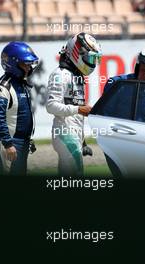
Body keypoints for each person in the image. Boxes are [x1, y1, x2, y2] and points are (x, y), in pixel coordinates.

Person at [103, 46, 145, 177]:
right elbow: (104, 114)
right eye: (143, 69)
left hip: (139, 139)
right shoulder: (117, 83)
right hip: (115, 139)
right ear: (137, 67)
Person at [46, 32, 102, 176]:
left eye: (94, 59)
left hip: (73, 134)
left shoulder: (77, 76)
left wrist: (82, 142)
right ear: (77, 52)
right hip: (63, 132)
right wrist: (78, 109)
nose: (92, 62)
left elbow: (77, 116)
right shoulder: (60, 74)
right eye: (89, 57)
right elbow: (51, 105)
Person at [0, 41, 39, 176]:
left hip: (19, 143)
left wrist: (27, 139)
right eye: (25, 64)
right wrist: (8, 144)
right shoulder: (2, 88)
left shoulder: (20, 83)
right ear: (13, 63)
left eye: (30, 64)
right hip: (9, 144)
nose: (29, 68)